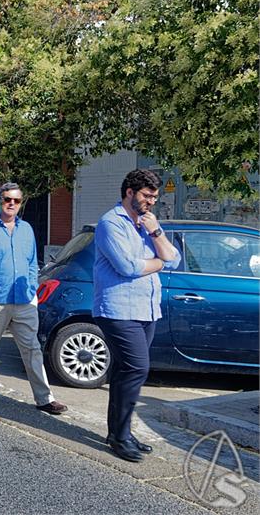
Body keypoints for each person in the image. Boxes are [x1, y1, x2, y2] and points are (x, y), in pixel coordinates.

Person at [93, 169, 179, 462]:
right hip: (118, 309)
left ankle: (120, 432)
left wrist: (156, 232)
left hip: (146, 308)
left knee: (123, 372)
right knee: (137, 368)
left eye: (154, 197)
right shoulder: (110, 223)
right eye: (146, 195)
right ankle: (120, 436)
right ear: (129, 192)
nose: (151, 202)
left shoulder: (147, 224)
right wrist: (160, 262)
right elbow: (127, 267)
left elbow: (175, 259)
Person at [0, 183, 67, 415]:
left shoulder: (27, 229)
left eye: (16, 200)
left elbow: (32, 261)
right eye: (7, 199)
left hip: (24, 300)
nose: (11, 204)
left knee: (32, 349)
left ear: (21, 203)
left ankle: (44, 398)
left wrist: (33, 285)